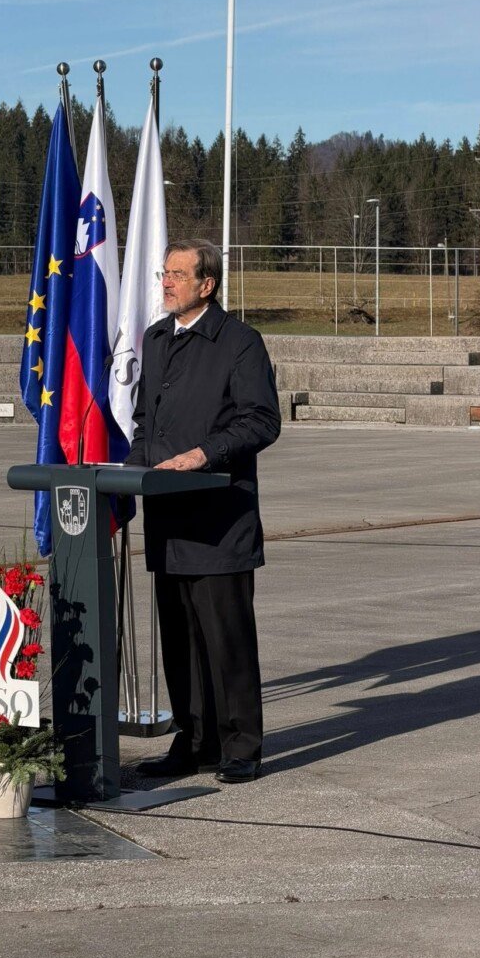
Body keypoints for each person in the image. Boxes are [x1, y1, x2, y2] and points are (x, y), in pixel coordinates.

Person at [125, 238, 281, 783]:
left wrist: (204, 453)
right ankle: (193, 742)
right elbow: (147, 424)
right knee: (181, 641)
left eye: (176, 274)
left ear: (206, 284)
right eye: (162, 273)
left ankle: (240, 746)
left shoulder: (239, 342)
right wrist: (125, 472)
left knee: (227, 640)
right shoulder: (157, 338)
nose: (165, 283)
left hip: (219, 519)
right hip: (168, 517)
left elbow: (262, 421)